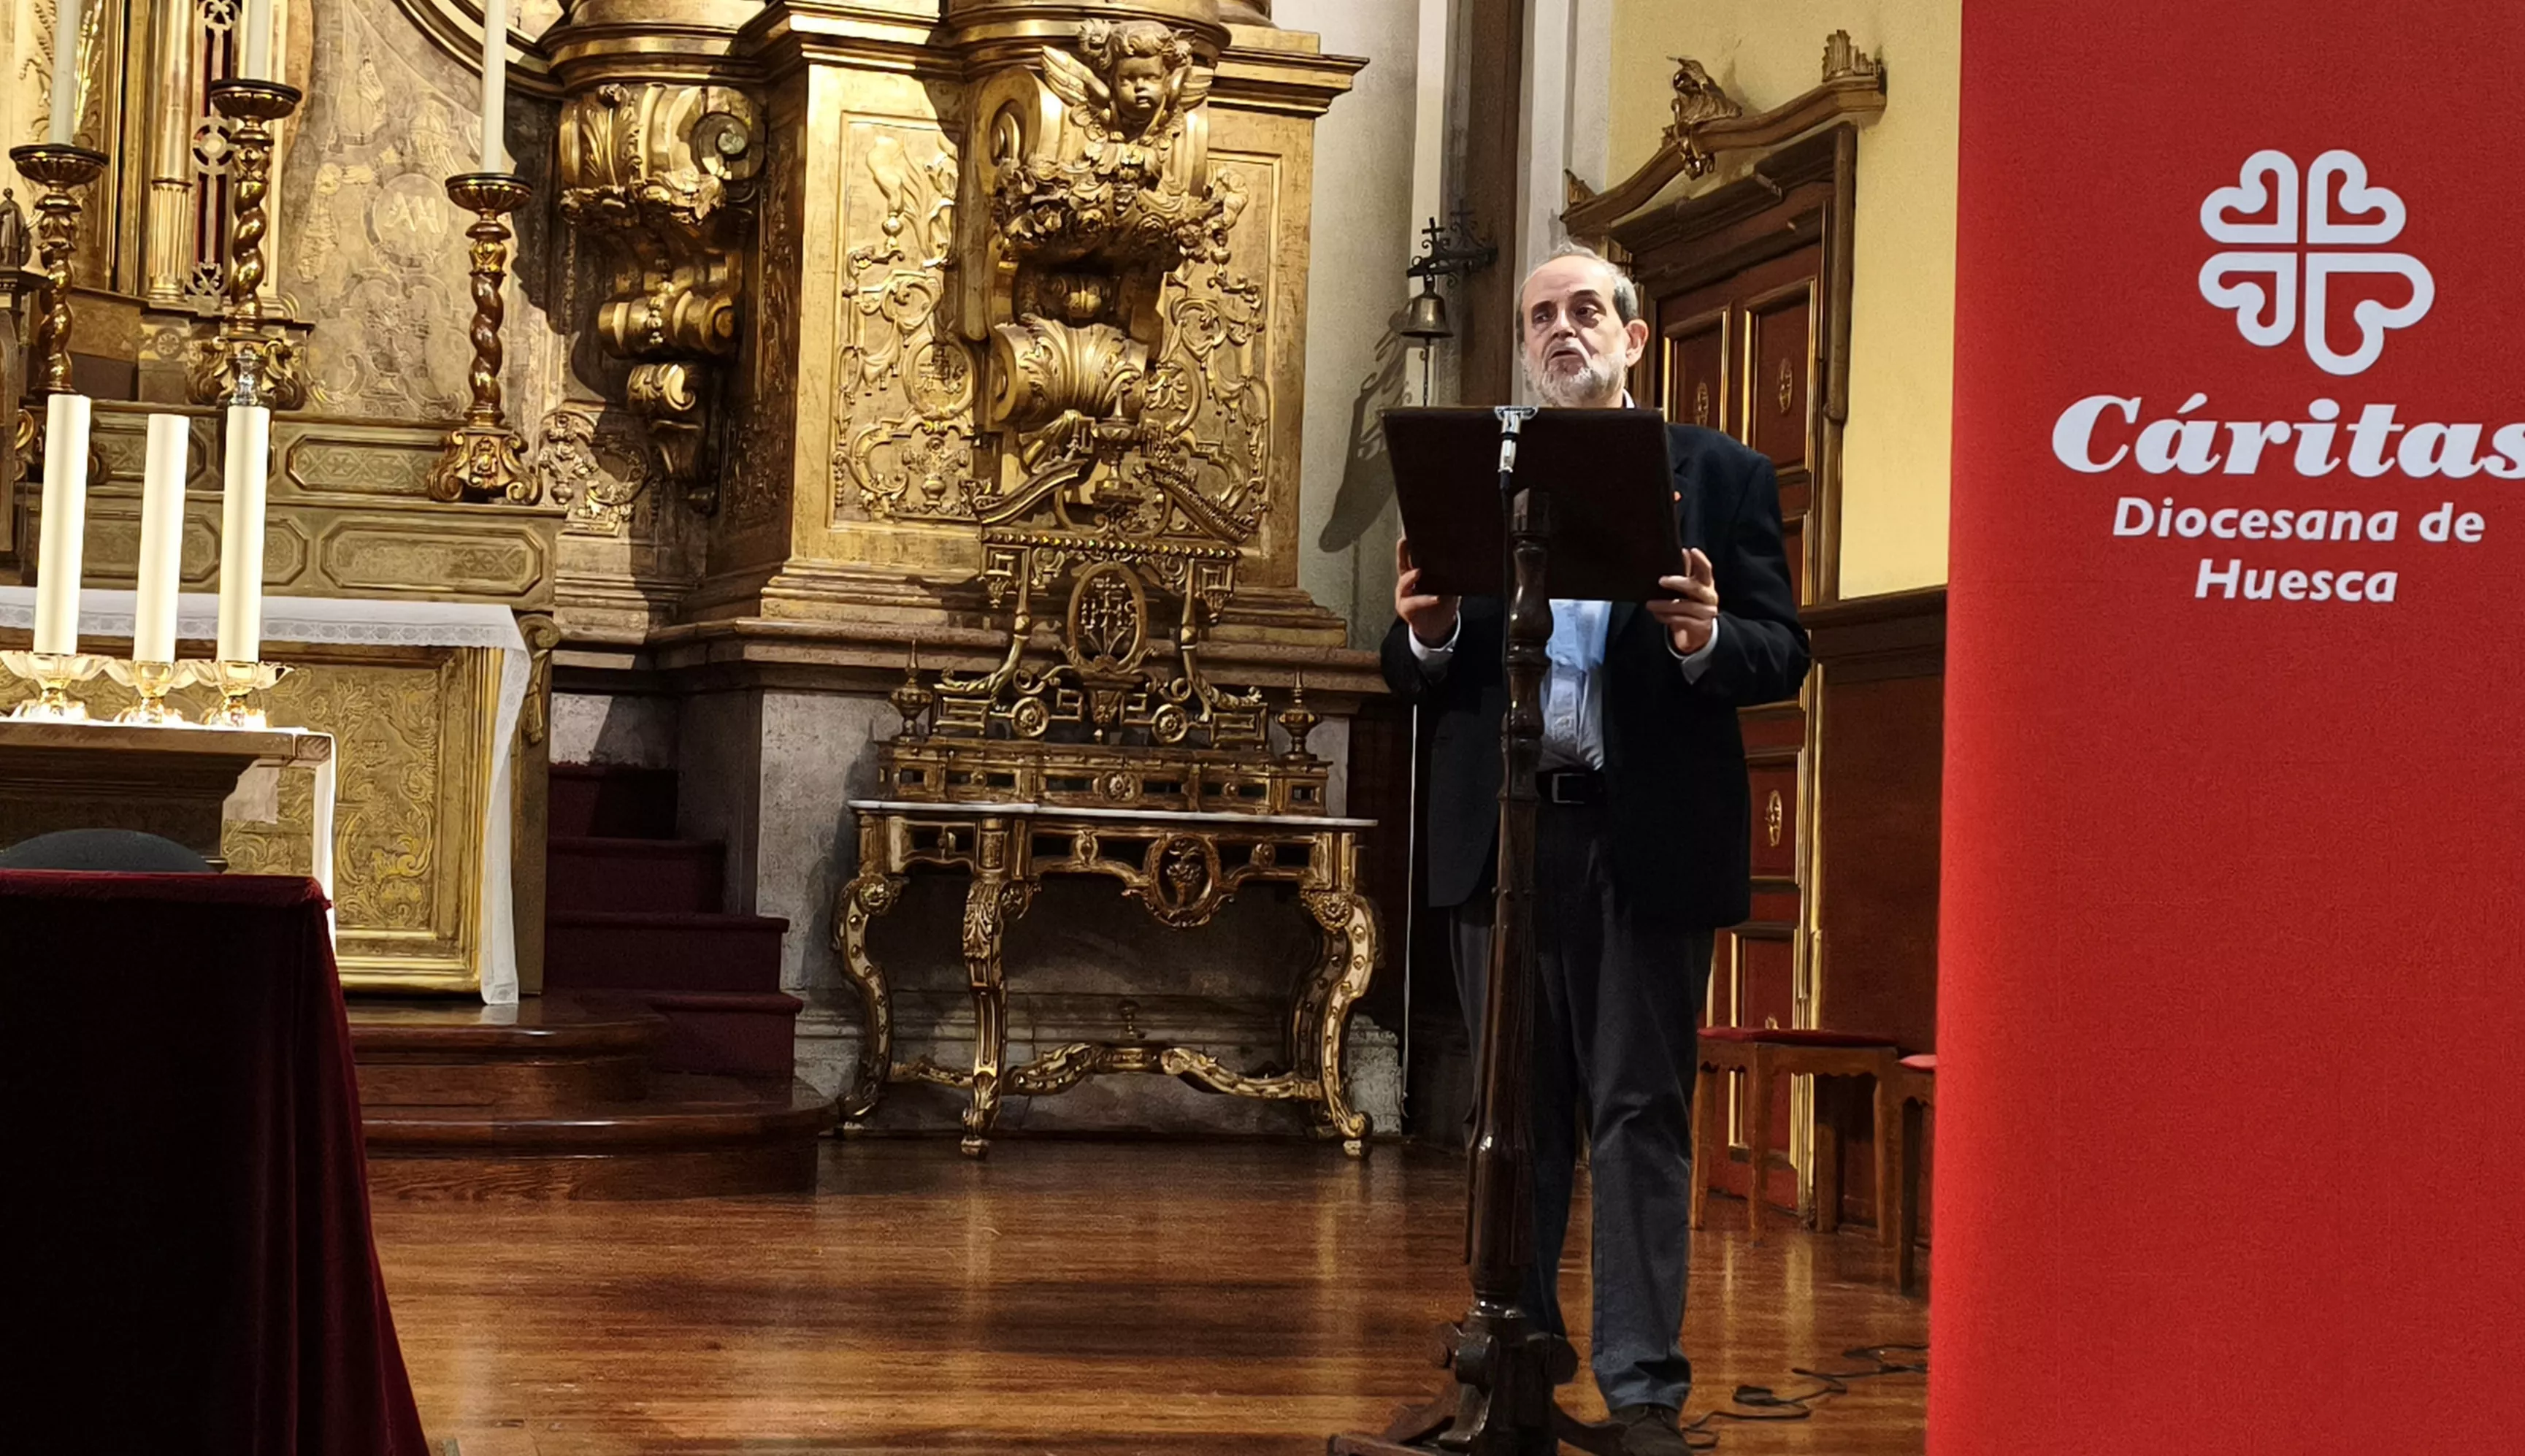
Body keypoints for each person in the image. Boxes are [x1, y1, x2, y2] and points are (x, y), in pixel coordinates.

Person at [1382, 243, 1810, 1455]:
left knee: (1636, 1114)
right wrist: (1427, 632)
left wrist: (1704, 637)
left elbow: (1781, 650)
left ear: (1631, 337)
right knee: (1510, 1116)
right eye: (1539, 317)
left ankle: (1641, 1389)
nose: (1559, 330)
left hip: (1642, 841)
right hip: (1505, 842)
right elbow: (1416, 666)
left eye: (1583, 311)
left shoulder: (1717, 475)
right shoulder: (1473, 475)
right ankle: (1514, 1355)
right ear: (1525, 347)